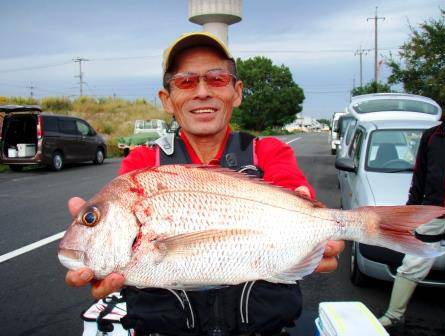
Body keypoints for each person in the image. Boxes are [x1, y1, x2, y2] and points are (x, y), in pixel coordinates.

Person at [65, 31, 345, 335]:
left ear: (236, 92)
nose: (202, 92)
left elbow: (300, 206)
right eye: (185, 81)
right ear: (167, 100)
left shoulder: (270, 152)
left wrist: (318, 236)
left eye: (216, 79)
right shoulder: (142, 166)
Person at [378, 117, 445, 329]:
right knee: (413, 264)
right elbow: (419, 177)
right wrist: (410, 212)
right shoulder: (432, 136)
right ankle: (394, 315)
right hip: (433, 212)